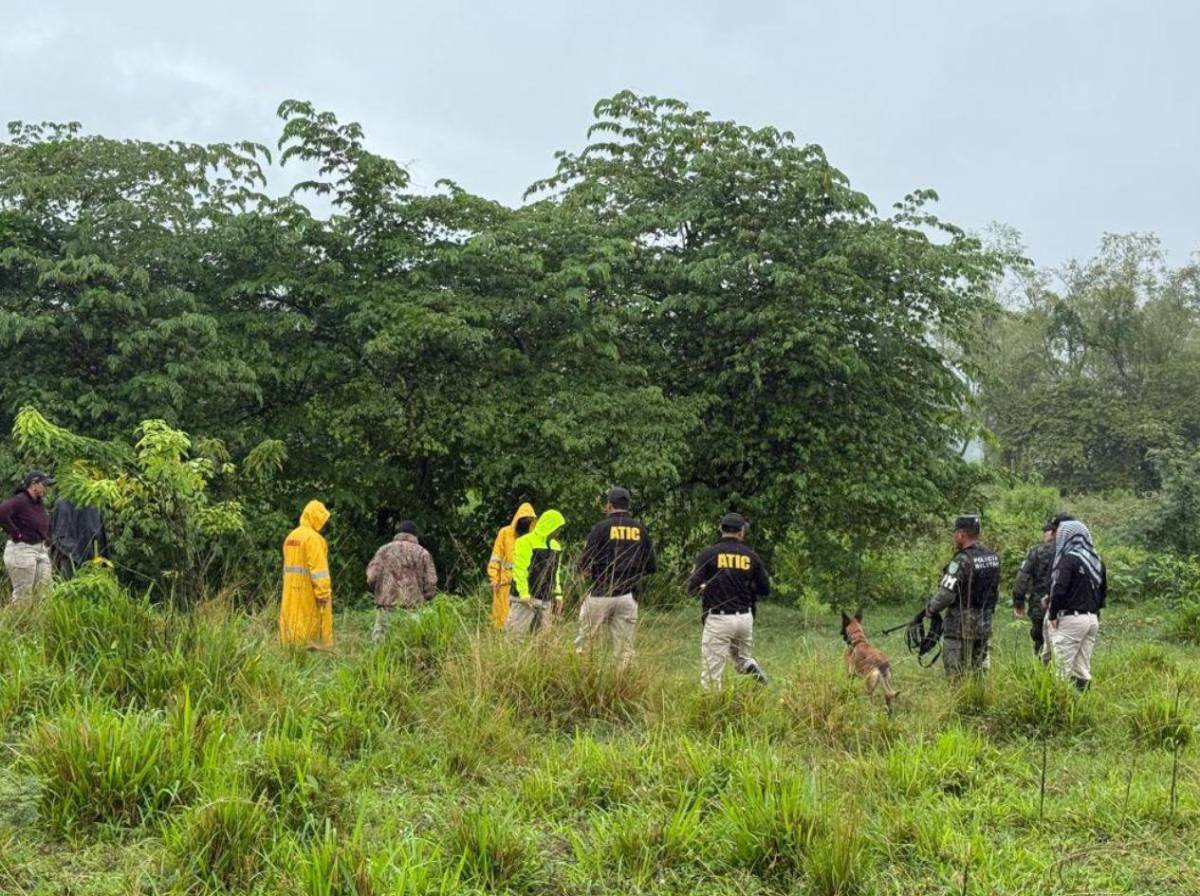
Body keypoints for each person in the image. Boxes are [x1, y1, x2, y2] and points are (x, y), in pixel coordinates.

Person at [575, 487, 657, 667]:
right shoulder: (640, 529)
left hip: (600, 594)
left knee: (585, 645)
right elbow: (651, 567)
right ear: (628, 505)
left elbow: (584, 563)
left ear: (609, 505)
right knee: (624, 650)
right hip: (628, 597)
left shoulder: (600, 528)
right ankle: (623, 687)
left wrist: (585, 571)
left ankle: (583, 682)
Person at [687, 512, 770, 688]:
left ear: (720, 529)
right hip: (745, 618)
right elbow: (765, 589)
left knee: (711, 674)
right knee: (743, 660)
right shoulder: (751, 556)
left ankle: (711, 711)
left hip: (719, 619)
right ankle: (761, 682)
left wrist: (705, 589)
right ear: (741, 532)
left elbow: (691, 587)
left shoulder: (708, 554)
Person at [925, 514, 1000, 678]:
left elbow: (946, 595)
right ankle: (978, 699)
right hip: (984, 625)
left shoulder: (961, 560)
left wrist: (930, 609)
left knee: (955, 672)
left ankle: (958, 701)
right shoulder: (992, 557)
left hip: (959, 627)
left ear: (961, 534)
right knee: (978, 671)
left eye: (955, 533)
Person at [1048, 519, 1106, 691]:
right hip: (1092, 619)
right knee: (1082, 668)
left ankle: (1060, 709)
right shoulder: (1097, 561)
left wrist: (1052, 614)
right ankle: (1081, 706)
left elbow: (1058, 590)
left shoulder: (1068, 559)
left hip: (1072, 619)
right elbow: (1103, 592)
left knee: (1061, 669)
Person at [367, 520, 438, 643]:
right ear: (415, 535)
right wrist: (426, 598)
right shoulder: (422, 553)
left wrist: (381, 592)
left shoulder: (383, 550)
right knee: (411, 645)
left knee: (380, 646)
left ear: (398, 533)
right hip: (414, 608)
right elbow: (431, 582)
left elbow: (372, 577)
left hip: (386, 607)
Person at [279, 500, 333, 648]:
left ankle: (291, 652)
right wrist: (323, 595)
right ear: (315, 517)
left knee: (291, 624)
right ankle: (309, 654)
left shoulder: (291, 537)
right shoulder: (314, 539)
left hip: (290, 591)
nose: (324, 524)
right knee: (308, 627)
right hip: (308, 593)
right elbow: (320, 572)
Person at [506, 509, 565, 636]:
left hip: (545, 599)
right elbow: (519, 569)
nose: (558, 531)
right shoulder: (525, 541)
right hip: (526, 599)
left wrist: (558, 595)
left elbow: (556, 573)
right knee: (515, 637)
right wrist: (524, 594)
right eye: (557, 527)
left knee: (543, 640)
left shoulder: (556, 546)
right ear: (549, 525)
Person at [0, 470, 56, 602]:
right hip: (22, 550)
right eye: (44, 485)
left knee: (46, 594)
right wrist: (16, 533)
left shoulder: (38, 502)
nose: (46, 489)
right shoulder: (20, 500)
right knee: (23, 596)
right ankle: (18, 622)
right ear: (33, 484)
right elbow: (2, 513)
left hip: (40, 550)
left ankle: (41, 622)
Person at [1012, 518, 1058, 659]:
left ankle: (1041, 674)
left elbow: (1022, 578)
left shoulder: (1037, 551)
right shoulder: (1068, 550)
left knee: (1040, 642)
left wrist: (1019, 603)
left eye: (1046, 531)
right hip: (1062, 603)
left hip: (1039, 605)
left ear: (1052, 532)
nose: (1043, 534)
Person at [487, 502, 536, 629]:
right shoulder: (505, 533)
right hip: (504, 584)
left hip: (525, 584)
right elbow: (496, 557)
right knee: (502, 618)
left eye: (529, 521)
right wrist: (494, 578)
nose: (526, 523)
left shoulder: (533, 537)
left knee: (522, 620)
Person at [50, 498, 109, 578]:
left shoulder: (93, 504)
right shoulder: (63, 503)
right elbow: (59, 533)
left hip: (79, 553)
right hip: (70, 554)